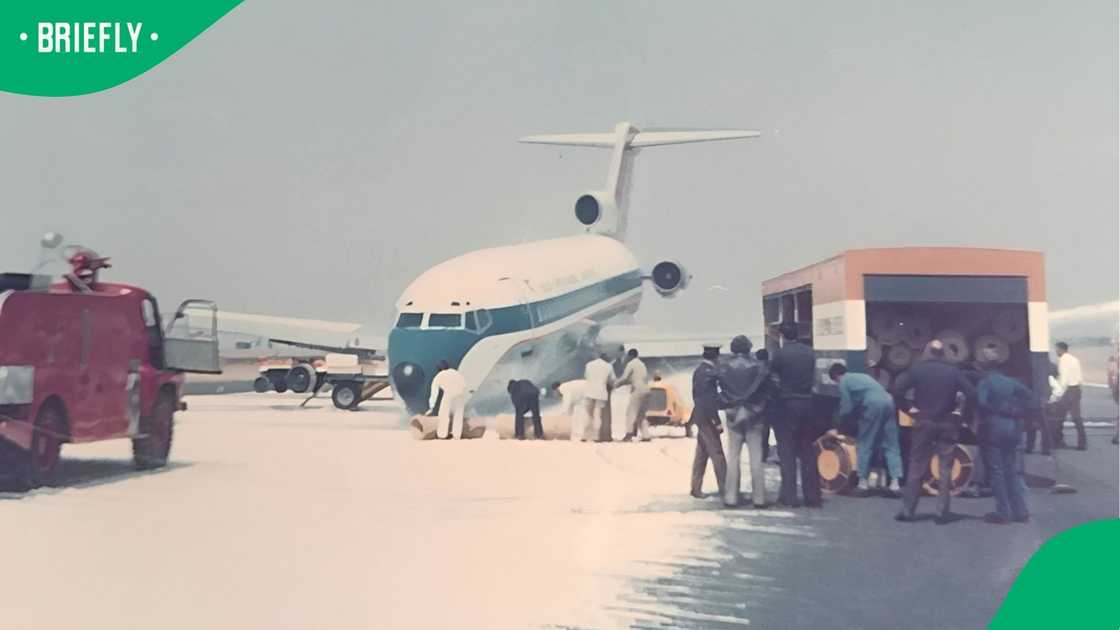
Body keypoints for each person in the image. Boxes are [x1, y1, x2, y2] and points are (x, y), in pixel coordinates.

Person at [892, 340, 976, 524]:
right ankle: (941, 513)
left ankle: (908, 511)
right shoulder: (953, 371)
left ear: (928, 351)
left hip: (924, 422)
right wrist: (960, 413)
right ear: (942, 353)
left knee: (916, 466)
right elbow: (972, 393)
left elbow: (897, 389)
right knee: (945, 469)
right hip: (947, 423)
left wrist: (908, 409)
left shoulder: (917, 370)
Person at [975, 348, 1039, 524]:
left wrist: (997, 409)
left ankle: (1003, 512)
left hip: (993, 429)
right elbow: (1031, 398)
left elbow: (981, 402)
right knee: (1011, 471)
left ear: (983, 365)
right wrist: (1017, 410)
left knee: (996, 472)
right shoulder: (1010, 382)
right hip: (1012, 428)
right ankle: (1021, 511)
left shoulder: (985, 383)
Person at [717, 335, 776, 508]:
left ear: (733, 349)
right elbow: (768, 389)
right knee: (756, 458)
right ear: (749, 348)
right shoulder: (759, 366)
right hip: (754, 414)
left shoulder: (723, 366)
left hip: (733, 414)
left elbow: (720, 390)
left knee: (733, 457)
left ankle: (731, 497)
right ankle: (759, 498)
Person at [769, 322, 822, 508]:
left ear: (783, 336)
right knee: (807, 451)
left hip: (786, 405)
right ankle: (813, 498)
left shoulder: (780, 354)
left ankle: (789, 498)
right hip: (807, 404)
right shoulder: (809, 353)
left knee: (787, 452)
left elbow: (773, 380)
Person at [828, 364, 903, 494]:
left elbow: (846, 407)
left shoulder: (843, 382)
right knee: (891, 444)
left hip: (873, 405)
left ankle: (863, 484)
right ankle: (895, 485)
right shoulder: (862, 376)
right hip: (889, 402)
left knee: (865, 443)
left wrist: (838, 427)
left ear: (835, 377)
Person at [690, 343, 728, 499]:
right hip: (707, 417)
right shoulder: (708, 373)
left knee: (702, 455)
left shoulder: (699, 371)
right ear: (716, 356)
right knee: (717, 454)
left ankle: (696, 487)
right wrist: (716, 420)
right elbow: (708, 400)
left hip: (700, 415)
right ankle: (726, 489)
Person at [1052, 342, 1086, 450]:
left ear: (1061, 349)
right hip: (1076, 389)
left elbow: (1064, 379)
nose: (1056, 351)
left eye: (1056, 349)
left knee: (1058, 416)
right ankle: (1082, 443)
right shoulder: (1075, 360)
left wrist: (1057, 394)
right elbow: (1080, 378)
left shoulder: (1063, 360)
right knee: (1077, 417)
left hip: (1068, 390)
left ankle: (1058, 441)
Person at [617, 348, 652, 442]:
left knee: (630, 413)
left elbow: (624, 377)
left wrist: (616, 384)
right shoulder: (642, 364)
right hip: (647, 391)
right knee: (641, 415)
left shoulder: (631, 364)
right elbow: (636, 378)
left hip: (637, 391)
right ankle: (646, 435)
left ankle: (628, 434)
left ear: (630, 356)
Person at [427, 360, 468, 439]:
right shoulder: (455, 372)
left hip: (449, 396)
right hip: (460, 396)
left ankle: (442, 435)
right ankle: (457, 436)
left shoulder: (438, 376)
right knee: (458, 416)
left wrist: (431, 406)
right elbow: (464, 384)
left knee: (443, 415)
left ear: (439, 369)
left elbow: (434, 393)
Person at [584, 353, 614, 442]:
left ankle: (586, 435)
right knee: (597, 415)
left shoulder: (589, 365)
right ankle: (596, 436)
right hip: (601, 393)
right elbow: (611, 379)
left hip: (589, 391)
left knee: (588, 414)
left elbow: (586, 376)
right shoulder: (608, 366)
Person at [755, 349, 774, 462]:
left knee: (763, 430)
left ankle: (763, 455)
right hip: (774, 403)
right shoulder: (771, 367)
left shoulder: (758, 369)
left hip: (762, 404)